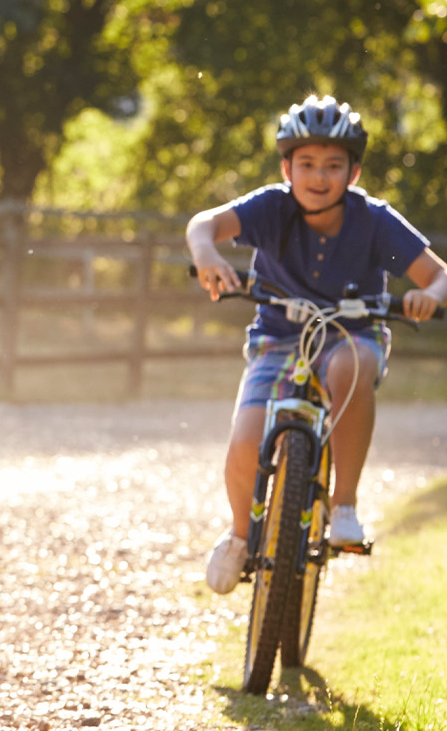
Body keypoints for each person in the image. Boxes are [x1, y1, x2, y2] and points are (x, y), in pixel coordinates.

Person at [188, 93, 447, 593]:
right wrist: (206, 254)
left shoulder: (373, 219)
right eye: (306, 164)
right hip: (279, 336)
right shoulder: (270, 207)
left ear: (352, 173)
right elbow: (205, 224)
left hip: (353, 332)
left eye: (333, 165)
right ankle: (241, 537)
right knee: (245, 441)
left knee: (350, 366)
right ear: (287, 167)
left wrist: (428, 297)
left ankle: (344, 505)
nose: (318, 176)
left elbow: (438, 274)